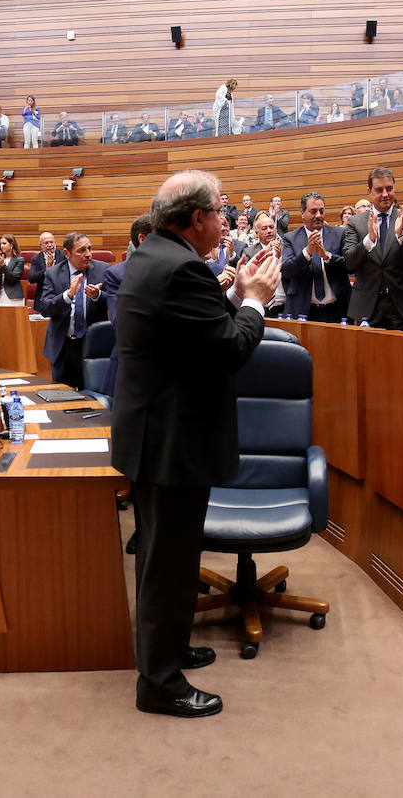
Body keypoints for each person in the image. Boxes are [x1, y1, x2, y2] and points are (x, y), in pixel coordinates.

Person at [112, 169, 277, 719]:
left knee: (174, 556)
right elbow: (229, 348)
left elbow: (192, 325)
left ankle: (171, 646)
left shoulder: (158, 255)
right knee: (166, 561)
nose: (226, 220)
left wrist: (231, 290)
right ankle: (158, 682)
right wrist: (254, 302)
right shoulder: (180, 267)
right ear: (198, 218)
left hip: (160, 433)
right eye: (221, 211)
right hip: (171, 438)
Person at [342, 167, 403, 330]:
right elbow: (350, 263)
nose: (385, 194)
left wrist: (402, 235)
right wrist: (369, 240)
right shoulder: (356, 222)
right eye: (379, 190)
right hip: (367, 306)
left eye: (389, 188)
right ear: (370, 191)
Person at [37, 231, 109, 389]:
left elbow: (114, 300)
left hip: (93, 347)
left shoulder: (103, 270)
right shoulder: (53, 273)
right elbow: (44, 308)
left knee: (93, 396)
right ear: (66, 253)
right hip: (63, 347)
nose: (88, 254)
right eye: (81, 250)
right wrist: (67, 295)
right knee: (62, 398)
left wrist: (98, 296)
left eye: (89, 248)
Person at [281, 191, 350, 321]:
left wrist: (327, 256)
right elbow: (286, 270)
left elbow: (350, 265)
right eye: (313, 211)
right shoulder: (290, 238)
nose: (318, 215)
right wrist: (307, 252)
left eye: (321, 211)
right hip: (303, 311)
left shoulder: (339, 234)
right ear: (302, 213)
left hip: (338, 309)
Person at [27, 232, 66, 308]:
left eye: (51, 242)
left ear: (55, 242)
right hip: (42, 298)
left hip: (61, 297)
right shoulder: (36, 259)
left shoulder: (64, 256)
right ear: (41, 245)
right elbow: (32, 279)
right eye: (46, 243)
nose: (49, 245)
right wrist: (47, 269)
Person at [0, 234, 26, 306]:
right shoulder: (0, 259)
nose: (2, 246)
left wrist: (3, 266)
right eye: (0, 244)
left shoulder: (19, 260)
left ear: (11, 244)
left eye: (4, 243)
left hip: (14, 296)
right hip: (1, 295)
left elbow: (13, 278)